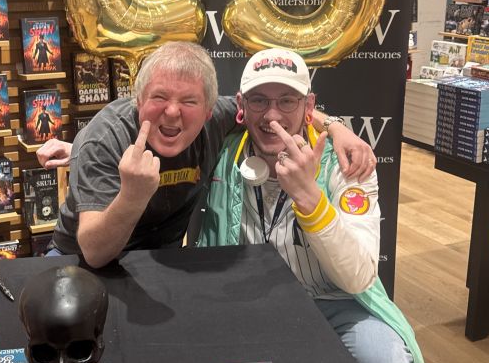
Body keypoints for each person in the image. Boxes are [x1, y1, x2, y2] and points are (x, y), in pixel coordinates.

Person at [196, 46, 441, 363]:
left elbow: (359, 277)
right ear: (241, 105)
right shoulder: (224, 153)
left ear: (308, 106)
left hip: (331, 302)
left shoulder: (348, 164)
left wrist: (310, 198)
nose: (272, 114)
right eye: (259, 100)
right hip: (247, 300)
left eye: (287, 100)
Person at [43, 41, 375, 268]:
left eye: (188, 102)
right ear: (138, 100)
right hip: (80, 262)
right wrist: (131, 196)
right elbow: (95, 253)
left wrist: (335, 127)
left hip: (162, 263)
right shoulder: (104, 139)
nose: (173, 113)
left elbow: (273, 110)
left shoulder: (219, 118)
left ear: (207, 111)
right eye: (159, 97)